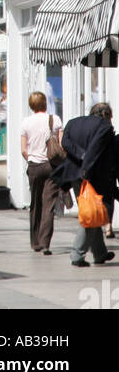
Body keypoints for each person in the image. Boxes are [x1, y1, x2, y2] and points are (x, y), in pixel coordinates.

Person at [52, 102, 119, 267]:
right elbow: (95, 149)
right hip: (92, 174)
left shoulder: (73, 122)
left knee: (91, 210)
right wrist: (86, 166)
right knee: (91, 214)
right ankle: (77, 254)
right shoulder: (104, 127)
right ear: (107, 115)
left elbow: (65, 143)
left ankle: (100, 253)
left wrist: (80, 155)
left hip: (74, 174)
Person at [21, 90, 62, 254]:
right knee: (49, 205)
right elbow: (61, 144)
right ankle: (46, 243)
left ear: (31, 105)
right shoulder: (55, 119)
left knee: (35, 203)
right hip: (52, 165)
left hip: (34, 166)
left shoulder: (26, 122)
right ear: (45, 103)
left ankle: (35, 242)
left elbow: (23, 149)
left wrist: (31, 159)